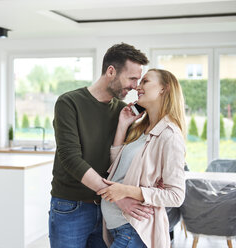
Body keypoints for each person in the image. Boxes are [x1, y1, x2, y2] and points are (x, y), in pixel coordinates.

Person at [49, 43, 152, 248]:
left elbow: (119, 161)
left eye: (137, 80)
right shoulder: (69, 103)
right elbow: (71, 159)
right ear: (111, 71)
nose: (135, 86)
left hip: (107, 211)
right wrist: (117, 197)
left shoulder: (123, 112)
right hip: (71, 206)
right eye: (132, 78)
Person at [98, 68, 187, 248]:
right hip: (117, 227)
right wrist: (123, 126)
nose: (138, 87)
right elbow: (117, 168)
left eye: (145, 81)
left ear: (164, 89)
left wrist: (127, 191)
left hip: (134, 231)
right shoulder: (142, 129)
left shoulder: (170, 135)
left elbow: (176, 195)